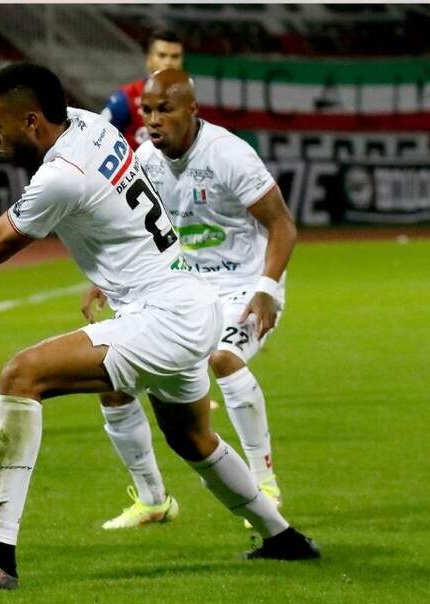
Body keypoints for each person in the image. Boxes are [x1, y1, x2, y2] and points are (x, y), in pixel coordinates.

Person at [0, 62, 319, 590]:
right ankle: (282, 537)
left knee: (21, 375)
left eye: (0, 128)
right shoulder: (87, 123)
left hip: (163, 317)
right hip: (190, 303)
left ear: (33, 122)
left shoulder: (61, 177)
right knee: (191, 437)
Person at [84, 69, 298, 531]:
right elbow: (132, 229)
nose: (153, 120)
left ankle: (265, 486)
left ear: (192, 110)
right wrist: (108, 278)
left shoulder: (228, 154)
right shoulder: (144, 159)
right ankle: (152, 499)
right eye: (147, 111)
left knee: (224, 359)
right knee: (113, 377)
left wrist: (267, 288)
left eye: (165, 109)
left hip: (244, 287)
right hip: (181, 293)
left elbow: (282, 224)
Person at [101, 29, 183, 147]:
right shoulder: (126, 97)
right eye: (162, 55)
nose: (168, 62)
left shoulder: (184, 100)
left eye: (175, 56)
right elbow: (99, 137)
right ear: (149, 59)